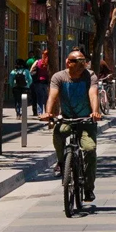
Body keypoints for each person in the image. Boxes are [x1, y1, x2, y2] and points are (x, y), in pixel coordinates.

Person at [40, 50, 102, 201]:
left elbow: (93, 94)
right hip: (67, 118)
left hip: (86, 119)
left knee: (89, 149)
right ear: (68, 63)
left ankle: (88, 188)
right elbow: (52, 95)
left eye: (83, 62)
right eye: (78, 62)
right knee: (58, 134)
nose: (82, 65)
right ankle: (62, 162)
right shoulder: (59, 77)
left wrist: (95, 112)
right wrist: (48, 113)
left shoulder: (90, 76)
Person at [30, 50, 51, 115]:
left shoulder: (37, 62)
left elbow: (31, 71)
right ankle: (47, 112)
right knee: (47, 98)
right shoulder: (49, 63)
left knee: (39, 98)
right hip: (46, 82)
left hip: (38, 82)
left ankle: (40, 113)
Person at [26, 50, 39, 116]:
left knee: (33, 95)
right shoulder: (38, 60)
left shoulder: (29, 61)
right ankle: (39, 111)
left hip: (31, 79)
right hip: (38, 80)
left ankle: (35, 111)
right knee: (38, 97)